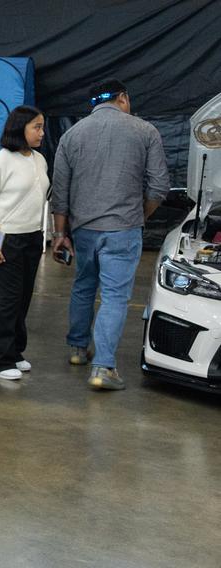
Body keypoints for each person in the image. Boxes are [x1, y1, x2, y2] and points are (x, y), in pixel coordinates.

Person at [50, 78, 170, 390]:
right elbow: (158, 186)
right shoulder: (145, 131)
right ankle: (104, 368)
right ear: (123, 98)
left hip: (83, 229)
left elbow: (60, 192)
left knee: (83, 285)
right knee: (115, 296)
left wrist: (60, 233)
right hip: (124, 228)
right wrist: (139, 215)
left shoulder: (72, 134)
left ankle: (78, 349)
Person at [0, 105, 49, 380]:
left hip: (31, 237)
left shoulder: (39, 159)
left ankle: (14, 352)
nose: (42, 132)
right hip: (6, 239)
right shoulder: (0, 162)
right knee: (5, 300)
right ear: (20, 129)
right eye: (36, 127)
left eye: (42, 126)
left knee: (23, 298)